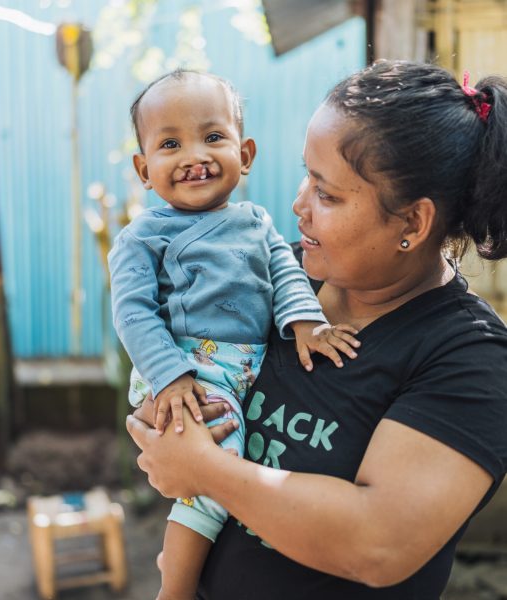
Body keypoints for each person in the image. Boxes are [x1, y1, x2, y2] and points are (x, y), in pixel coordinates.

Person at [126, 59, 507, 600]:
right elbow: (177, 367)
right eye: (307, 174)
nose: (298, 204)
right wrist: (162, 421)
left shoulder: (470, 358)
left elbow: (377, 543)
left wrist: (205, 472)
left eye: (327, 195)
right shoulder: (274, 275)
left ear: (413, 223)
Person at [108, 70, 360, 600]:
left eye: (213, 137)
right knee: (218, 482)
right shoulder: (143, 237)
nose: (193, 154)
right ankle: (174, 588)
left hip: (243, 369)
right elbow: (132, 314)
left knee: (217, 483)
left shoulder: (257, 222)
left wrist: (306, 323)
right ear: (143, 169)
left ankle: (182, 557)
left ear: (244, 155)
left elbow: (286, 274)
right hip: (187, 372)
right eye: (170, 143)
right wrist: (171, 378)